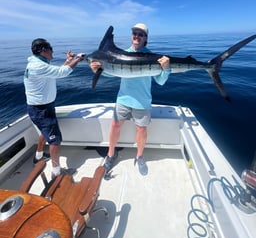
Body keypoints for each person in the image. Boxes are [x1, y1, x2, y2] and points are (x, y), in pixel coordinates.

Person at [90, 23, 170, 176]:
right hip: (123, 99)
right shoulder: (122, 54)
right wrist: (98, 70)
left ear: (145, 38)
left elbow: (160, 81)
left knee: (141, 129)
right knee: (114, 126)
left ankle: (139, 157)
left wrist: (165, 69)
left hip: (142, 101)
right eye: (135, 33)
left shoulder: (154, 58)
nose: (137, 36)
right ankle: (111, 154)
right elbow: (114, 72)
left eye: (141, 34)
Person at [24, 38, 84, 178]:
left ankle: (38, 157)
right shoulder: (38, 66)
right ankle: (56, 173)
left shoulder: (37, 63)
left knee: (45, 133)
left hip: (41, 107)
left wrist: (69, 60)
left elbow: (57, 71)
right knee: (55, 140)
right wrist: (78, 59)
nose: (53, 52)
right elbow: (63, 72)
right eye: (51, 49)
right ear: (44, 50)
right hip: (42, 110)